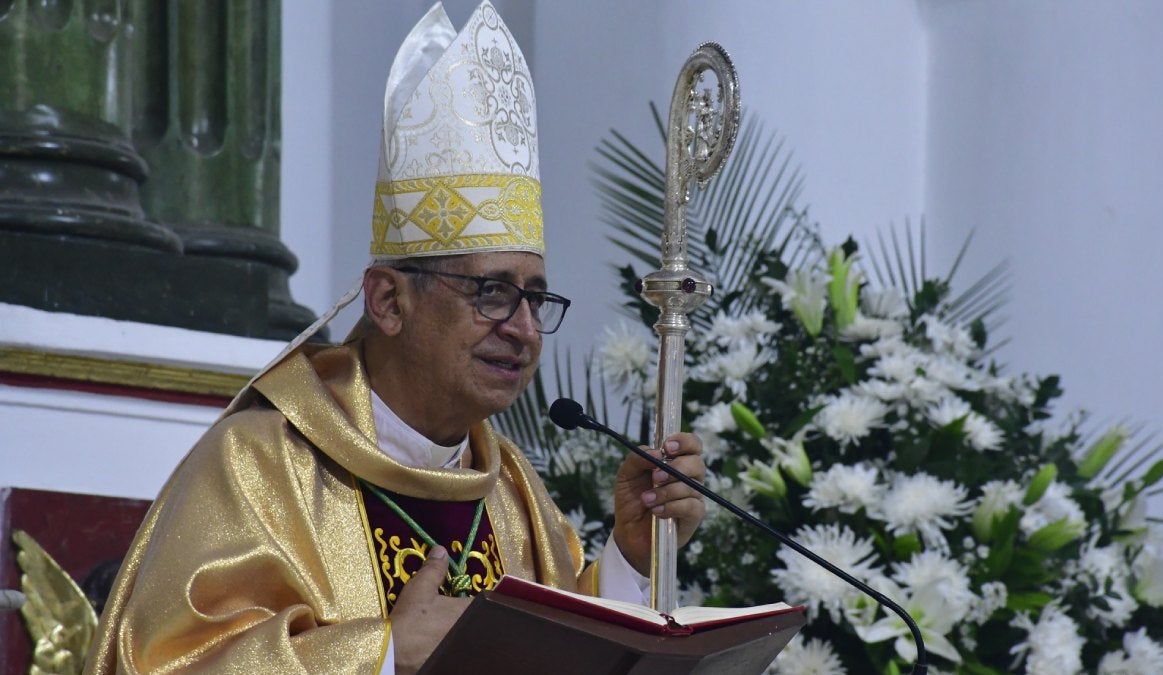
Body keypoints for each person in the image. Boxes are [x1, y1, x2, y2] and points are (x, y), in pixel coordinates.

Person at [83, 2, 706, 673]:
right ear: (387, 299)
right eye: (491, 292)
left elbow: (562, 645)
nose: (524, 329)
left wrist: (630, 559)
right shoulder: (259, 463)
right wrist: (380, 654)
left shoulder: (508, 491)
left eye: (535, 297)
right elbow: (164, 662)